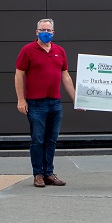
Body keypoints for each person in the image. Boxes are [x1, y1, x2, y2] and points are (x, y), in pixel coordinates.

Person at [14, 18, 78, 188]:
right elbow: (19, 75)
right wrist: (21, 99)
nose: (46, 33)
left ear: (53, 33)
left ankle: (49, 173)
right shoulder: (28, 50)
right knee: (37, 140)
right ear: (36, 32)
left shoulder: (59, 51)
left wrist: (76, 98)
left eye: (49, 30)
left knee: (51, 140)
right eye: (43, 30)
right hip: (36, 104)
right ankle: (38, 174)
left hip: (55, 103)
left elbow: (65, 76)